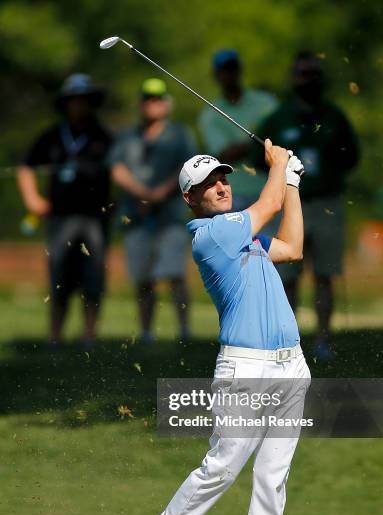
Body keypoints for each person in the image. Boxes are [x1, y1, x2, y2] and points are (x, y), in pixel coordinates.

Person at [135, 141, 311, 515]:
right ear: (190, 198)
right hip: (245, 367)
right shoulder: (213, 235)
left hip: (291, 364)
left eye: (222, 178)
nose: (219, 186)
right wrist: (280, 169)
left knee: (274, 476)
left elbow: (292, 247)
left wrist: (290, 182)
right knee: (222, 467)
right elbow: (267, 203)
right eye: (206, 184)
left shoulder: (246, 236)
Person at [252, 51, 359, 360]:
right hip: (289, 205)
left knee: (325, 275)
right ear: (293, 78)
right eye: (302, 73)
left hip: (326, 203)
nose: (308, 79)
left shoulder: (334, 116)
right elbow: (258, 159)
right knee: (287, 277)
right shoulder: (278, 118)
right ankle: (288, 341)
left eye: (313, 73)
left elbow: (351, 158)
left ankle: (324, 340)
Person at [17, 74, 112, 346]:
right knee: (59, 274)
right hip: (60, 218)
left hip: (94, 218)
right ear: (66, 103)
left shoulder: (103, 137)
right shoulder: (51, 137)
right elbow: (26, 167)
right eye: (75, 100)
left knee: (93, 275)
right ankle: (55, 336)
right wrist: (33, 199)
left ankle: (89, 335)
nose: (79, 105)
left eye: (84, 100)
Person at [110, 78, 197, 343]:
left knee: (174, 274)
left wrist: (159, 193)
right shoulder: (127, 135)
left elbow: (187, 167)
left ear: (166, 103)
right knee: (143, 278)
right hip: (136, 216)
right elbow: (117, 169)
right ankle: (147, 331)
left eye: (158, 98)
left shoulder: (180, 134)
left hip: (170, 216)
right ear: (141, 103)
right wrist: (143, 194)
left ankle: (184, 331)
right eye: (148, 98)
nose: (152, 103)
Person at [199, 49, 278, 212]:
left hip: (271, 189)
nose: (229, 74)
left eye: (232, 68)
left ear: (240, 70)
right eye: (224, 70)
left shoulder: (267, 102)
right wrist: (260, 139)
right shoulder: (209, 115)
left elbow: (279, 137)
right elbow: (227, 155)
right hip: (235, 195)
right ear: (216, 75)